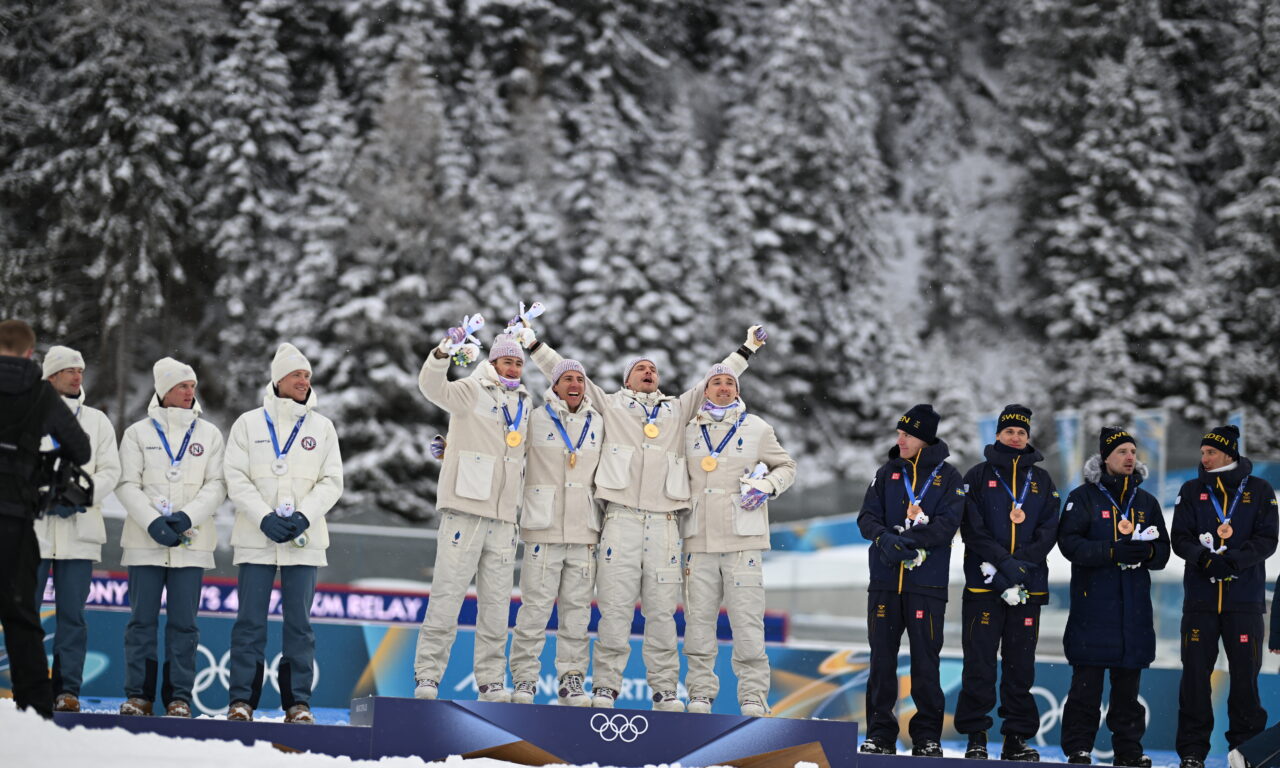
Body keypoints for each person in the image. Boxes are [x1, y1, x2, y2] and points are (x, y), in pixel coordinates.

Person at [525, 325, 766, 711]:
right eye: (640, 368)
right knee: (614, 610)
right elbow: (567, 372)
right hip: (620, 519)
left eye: (653, 369)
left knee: (662, 614)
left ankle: (664, 688)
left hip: (665, 523)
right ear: (627, 380)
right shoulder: (610, 406)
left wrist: (746, 350)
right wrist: (535, 345)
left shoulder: (677, 410)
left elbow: (715, 379)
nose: (649, 372)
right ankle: (606, 686)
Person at [224, 344, 344, 723]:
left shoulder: (322, 428)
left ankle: (297, 703)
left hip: (303, 540)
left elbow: (333, 481)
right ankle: (241, 701)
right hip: (255, 537)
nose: (304, 381)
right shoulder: (248, 424)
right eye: (296, 375)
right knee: (249, 623)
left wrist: (305, 516)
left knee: (299, 626)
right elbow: (235, 477)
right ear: (278, 379)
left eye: (307, 375)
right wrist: (263, 517)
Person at [413, 330, 531, 703]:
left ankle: (491, 681)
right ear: (492, 362)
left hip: (504, 518)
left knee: (496, 607)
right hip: (465, 511)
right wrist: (442, 353)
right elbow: (432, 387)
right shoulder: (471, 389)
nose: (513, 368)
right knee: (447, 596)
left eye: (518, 362)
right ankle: (428, 676)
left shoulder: (525, 402)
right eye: (507, 361)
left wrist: (452, 449)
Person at [682, 364, 796, 717]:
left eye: (730, 382)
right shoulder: (687, 430)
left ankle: (753, 697)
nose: (724, 387)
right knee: (698, 625)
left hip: (742, 540)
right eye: (716, 382)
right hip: (697, 540)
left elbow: (786, 467)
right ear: (704, 391)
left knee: (747, 624)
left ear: (738, 390)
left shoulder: (756, 428)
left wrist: (767, 485)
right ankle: (700, 693)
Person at [115, 357, 226, 717]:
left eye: (192, 385)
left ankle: (179, 697)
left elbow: (218, 485)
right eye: (182, 386)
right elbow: (125, 483)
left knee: (184, 625)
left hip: (191, 542)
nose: (190, 391)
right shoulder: (137, 434)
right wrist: (152, 522)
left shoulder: (209, 434)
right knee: (141, 623)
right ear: (163, 390)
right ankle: (139, 696)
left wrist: (187, 516)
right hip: (144, 542)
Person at [856, 404, 964, 756]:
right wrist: (886, 540)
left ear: (924, 438)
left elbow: (948, 524)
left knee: (926, 665)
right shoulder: (887, 473)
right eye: (900, 434)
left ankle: (927, 737)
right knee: (881, 663)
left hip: (926, 586)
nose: (900, 440)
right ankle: (880, 735)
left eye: (907, 435)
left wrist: (909, 542)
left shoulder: (949, 477)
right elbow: (866, 518)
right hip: (885, 582)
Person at [1058, 427, 1170, 766]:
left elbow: (1163, 553)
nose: (1130, 457)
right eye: (1122, 451)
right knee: (1085, 690)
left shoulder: (1146, 502)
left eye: (1133, 451)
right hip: (1093, 609)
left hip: (1133, 612)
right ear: (1105, 458)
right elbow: (1069, 544)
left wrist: (1147, 552)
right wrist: (1111, 551)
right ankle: (1079, 748)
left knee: (1128, 694)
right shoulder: (1083, 497)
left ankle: (1128, 751)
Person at [955, 404, 1061, 761]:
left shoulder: (1042, 480)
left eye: (1021, 432)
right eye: (1009, 431)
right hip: (984, 585)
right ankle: (976, 736)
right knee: (979, 664)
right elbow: (972, 529)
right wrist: (1004, 565)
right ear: (998, 434)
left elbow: (1049, 530)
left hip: (1028, 585)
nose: (1016, 437)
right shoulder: (977, 476)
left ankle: (1016, 738)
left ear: (1028, 437)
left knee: (1020, 666)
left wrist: (1019, 568)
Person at [1171, 425, 1277, 768]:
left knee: (1245, 682)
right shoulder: (1191, 489)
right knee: (1194, 681)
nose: (1204, 458)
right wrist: (1204, 559)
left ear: (1229, 453)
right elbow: (1180, 537)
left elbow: (1268, 539)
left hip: (1243, 602)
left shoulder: (1259, 490)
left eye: (1211, 452)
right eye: (1202, 452)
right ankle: (1192, 752)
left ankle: (1246, 754)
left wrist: (1233, 562)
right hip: (1200, 602)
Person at [0, 319, 90, 719]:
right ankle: (35, 711)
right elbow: (80, 449)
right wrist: (37, 461)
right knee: (22, 616)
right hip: (15, 518)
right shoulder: (40, 395)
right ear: (29, 353)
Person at [508, 359, 603, 707]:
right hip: (542, 529)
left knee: (577, 614)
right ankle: (524, 678)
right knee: (534, 611)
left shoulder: (599, 423)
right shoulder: (535, 418)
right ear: (555, 385)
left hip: (584, 531)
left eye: (580, 378)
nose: (575, 384)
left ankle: (571, 678)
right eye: (567, 379)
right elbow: (504, 448)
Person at [33, 345, 121, 713]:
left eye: (80, 370)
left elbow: (112, 470)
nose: (77, 376)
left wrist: (81, 494)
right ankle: (30, 686)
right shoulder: (26, 414)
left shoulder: (97, 421)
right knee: (25, 614)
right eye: (69, 370)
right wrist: (45, 494)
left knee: (72, 617)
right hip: (34, 531)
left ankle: (67, 690)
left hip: (80, 529)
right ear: (51, 376)